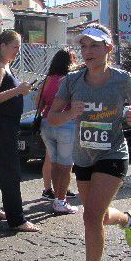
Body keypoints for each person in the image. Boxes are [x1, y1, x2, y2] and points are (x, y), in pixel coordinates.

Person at [46, 25, 131, 261]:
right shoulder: (72, 80)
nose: (88, 52)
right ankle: (128, 220)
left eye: (95, 46)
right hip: (84, 156)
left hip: (112, 153)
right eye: (85, 46)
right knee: (99, 217)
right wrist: (69, 113)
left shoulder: (122, 79)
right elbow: (52, 118)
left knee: (90, 217)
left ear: (108, 49)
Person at [0, 30, 38, 232]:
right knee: (11, 171)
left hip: (1, 125)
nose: (18, 51)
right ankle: (17, 219)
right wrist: (18, 90)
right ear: (2, 46)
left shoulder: (3, 66)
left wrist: (20, 91)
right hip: (0, 126)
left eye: (19, 47)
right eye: (15, 47)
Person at [34, 49, 77, 215]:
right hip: (66, 124)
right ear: (68, 62)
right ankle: (61, 200)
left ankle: (53, 192)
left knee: (53, 161)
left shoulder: (47, 80)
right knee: (66, 166)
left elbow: (38, 102)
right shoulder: (69, 80)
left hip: (46, 124)